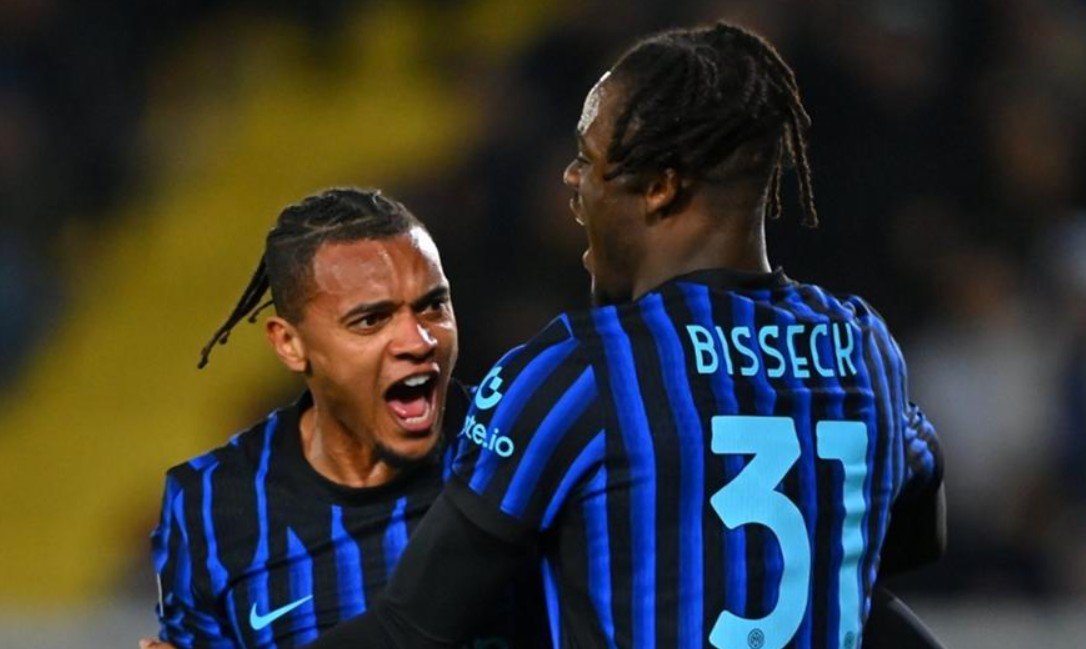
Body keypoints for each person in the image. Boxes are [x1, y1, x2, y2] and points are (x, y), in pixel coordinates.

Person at [308, 22, 946, 649]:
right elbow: (916, 541)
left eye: (589, 160)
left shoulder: (582, 372)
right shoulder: (863, 349)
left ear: (661, 188)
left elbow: (413, 626)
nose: (571, 179)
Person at [144, 188, 540, 648]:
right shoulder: (208, 504)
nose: (419, 341)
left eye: (433, 305)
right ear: (290, 344)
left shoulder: (517, 452)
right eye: (371, 320)